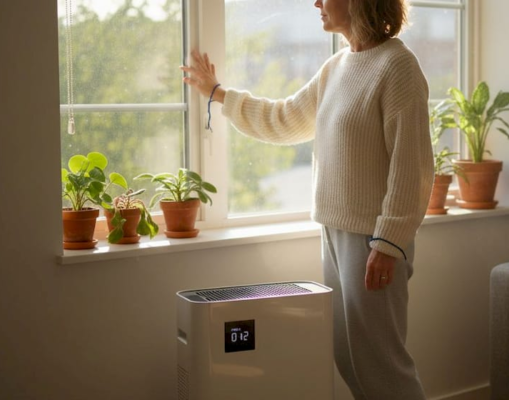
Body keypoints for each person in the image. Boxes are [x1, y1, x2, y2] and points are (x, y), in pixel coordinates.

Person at [180, 0, 432, 399]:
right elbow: (283, 119)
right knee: (349, 358)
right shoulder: (337, 68)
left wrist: (389, 243)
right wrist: (218, 93)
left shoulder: (398, 66)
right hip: (334, 232)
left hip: (373, 242)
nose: (316, 2)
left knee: (383, 365)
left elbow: (413, 165)